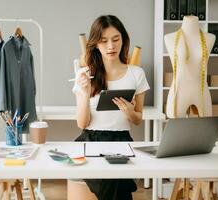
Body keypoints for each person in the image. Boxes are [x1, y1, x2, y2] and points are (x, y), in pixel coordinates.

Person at [72, 15, 150, 200]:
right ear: (96, 44)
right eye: (104, 41)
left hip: (121, 139)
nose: (111, 46)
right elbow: (82, 123)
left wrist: (130, 112)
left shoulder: (136, 74)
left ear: (123, 40)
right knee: (115, 183)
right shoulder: (85, 74)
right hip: (91, 140)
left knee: (114, 182)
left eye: (116, 40)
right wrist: (84, 93)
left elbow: (138, 119)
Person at [164, 16, 215, 118]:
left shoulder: (210, 38)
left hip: (201, 92)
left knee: (203, 132)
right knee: (179, 132)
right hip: (179, 93)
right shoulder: (169, 38)